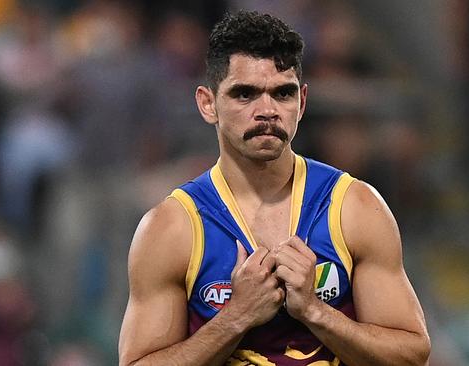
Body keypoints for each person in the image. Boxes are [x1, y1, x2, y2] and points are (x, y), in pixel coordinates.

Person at [118, 10, 430, 365]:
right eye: (245, 94)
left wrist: (315, 311)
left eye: (283, 93)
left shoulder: (354, 207)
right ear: (208, 104)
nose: (267, 110)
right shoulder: (170, 228)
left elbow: (413, 357)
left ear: (303, 102)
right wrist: (237, 317)